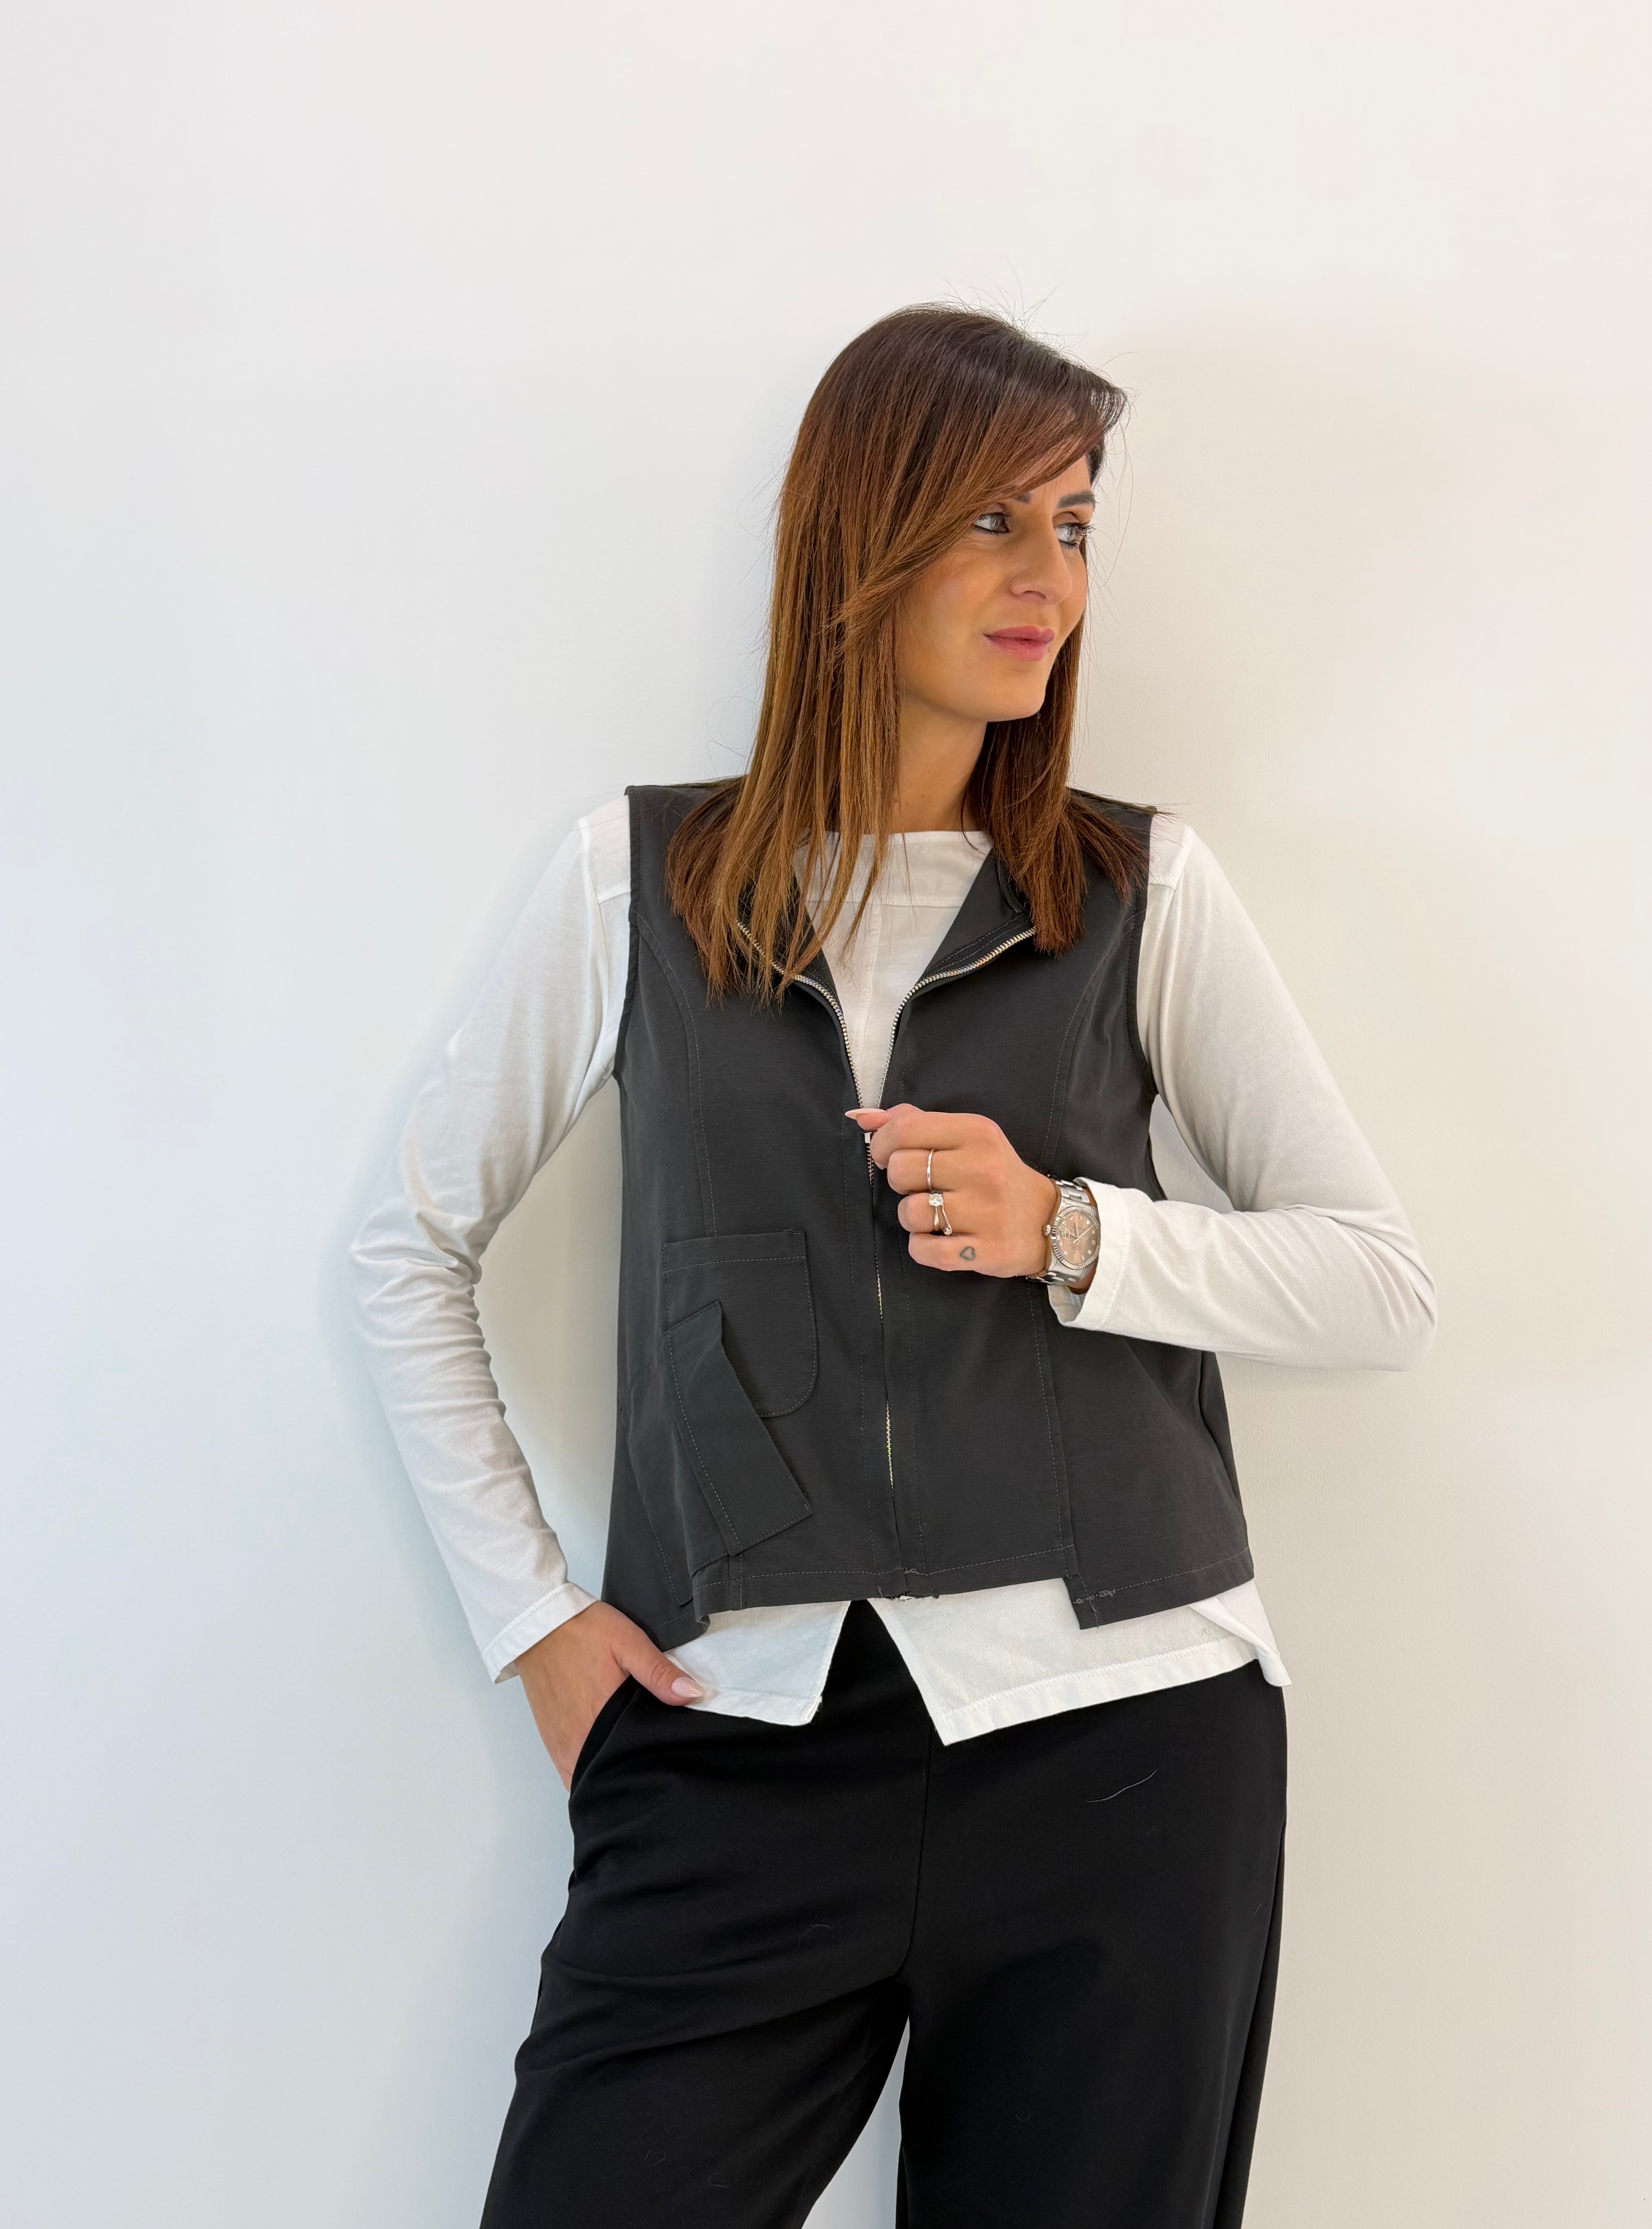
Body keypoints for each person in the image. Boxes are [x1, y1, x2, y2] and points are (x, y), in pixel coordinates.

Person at [346, 303, 1436, 2228]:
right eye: (993, 522)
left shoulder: (1138, 890)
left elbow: (1375, 1281)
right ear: (860, 538)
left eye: (1075, 526)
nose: (1050, 584)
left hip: (1127, 1736)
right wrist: (532, 1623)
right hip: (735, 1740)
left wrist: (1072, 1231)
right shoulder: (637, 880)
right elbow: (407, 1249)